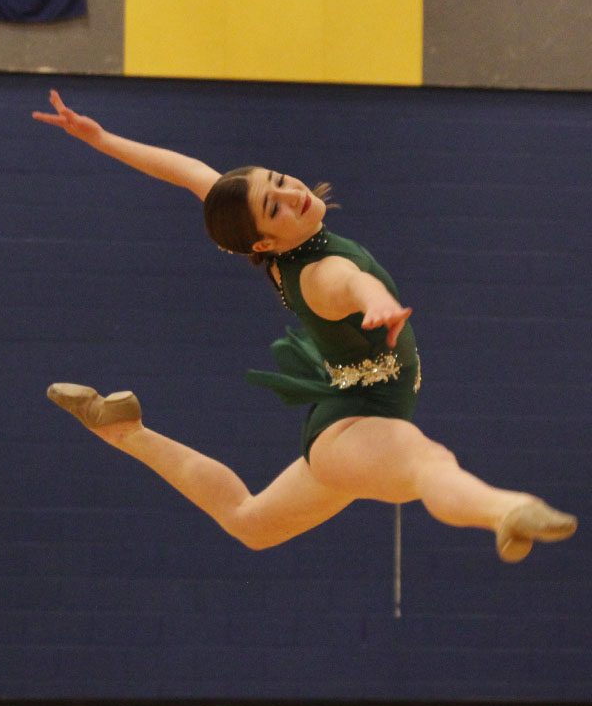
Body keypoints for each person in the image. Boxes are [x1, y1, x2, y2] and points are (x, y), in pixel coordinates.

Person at [32, 90, 577, 562]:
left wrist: (100, 137)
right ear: (265, 241)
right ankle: (507, 509)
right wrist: (380, 300)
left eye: (280, 179)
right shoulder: (319, 272)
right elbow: (352, 284)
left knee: (250, 522)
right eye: (277, 205)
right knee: (426, 464)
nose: (294, 193)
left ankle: (122, 429)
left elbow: (188, 171)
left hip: (343, 423)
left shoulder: (272, 249)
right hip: (358, 425)